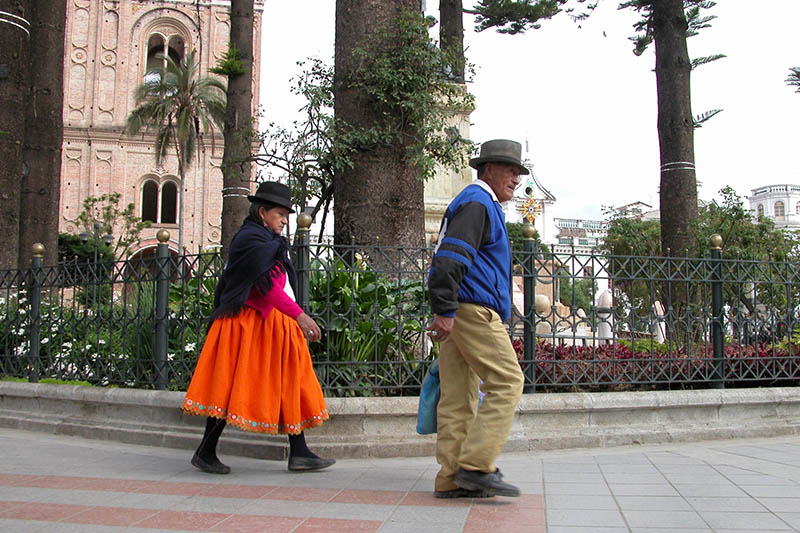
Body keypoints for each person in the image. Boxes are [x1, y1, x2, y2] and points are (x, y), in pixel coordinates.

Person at [182, 181, 335, 474]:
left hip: (275, 322)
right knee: (229, 385)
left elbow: (277, 284)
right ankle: (205, 451)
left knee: (292, 379)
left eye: (287, 215)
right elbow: (264, 289)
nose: (286, 220)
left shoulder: (267, 240)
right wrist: (300, 316)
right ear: (262, 212)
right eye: (280, 214)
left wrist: (293, 317)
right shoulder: (250, 240)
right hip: (247, 323)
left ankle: (299, 451)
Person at [427, 139, 526, 498]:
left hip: (458, 310)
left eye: (518, 171)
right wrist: (445, 309)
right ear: (488, 169)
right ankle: (477, 465)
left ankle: (451, 478)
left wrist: (444, 308)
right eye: (510, 169)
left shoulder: (476, 203)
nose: (516, 178)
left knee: (457, 396)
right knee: (508, 381)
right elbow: (450, 259)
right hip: (470, 311)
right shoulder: (479, 203)